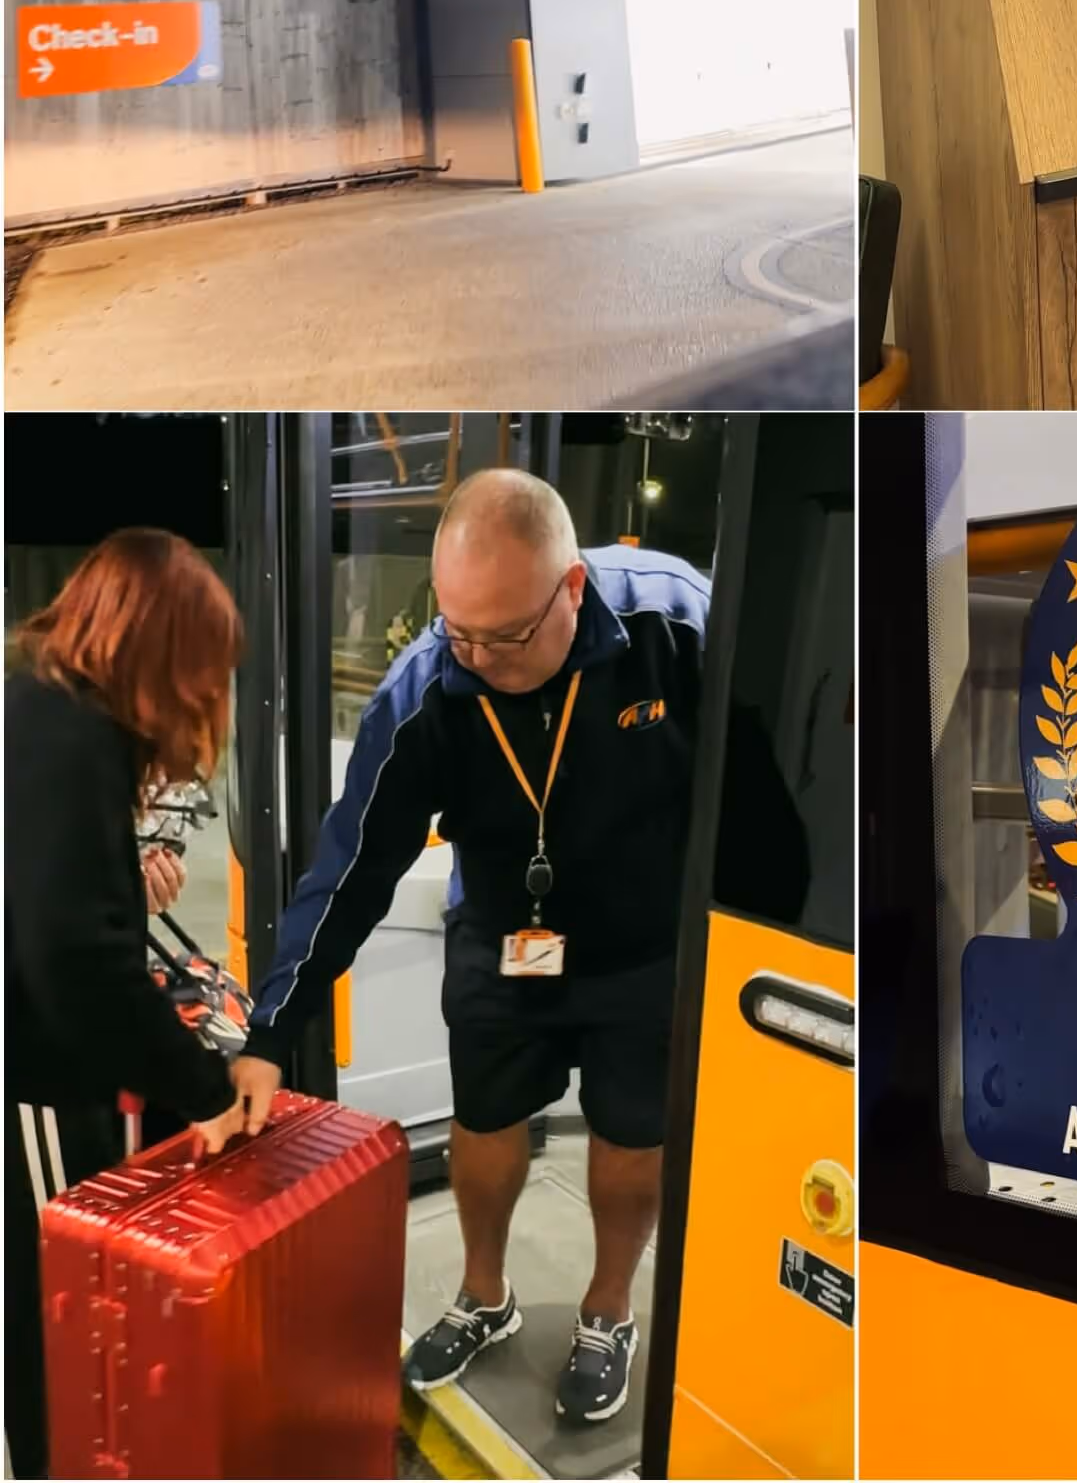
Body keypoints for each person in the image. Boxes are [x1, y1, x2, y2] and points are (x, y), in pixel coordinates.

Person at [230, 469, 709, 1428]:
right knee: (485, 1119)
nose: (479, 658)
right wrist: (270, 1031)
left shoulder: (677, 625)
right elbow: (351, 866)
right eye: (459, 631)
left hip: (644, 944)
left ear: (570, 587)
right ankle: (484, 1295)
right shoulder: (428, 691)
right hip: (503, 936)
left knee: (631, 1137)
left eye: (507, 635)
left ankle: (607, 1309)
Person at [5, 531, 249, 1481]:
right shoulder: (72, 735)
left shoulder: (41, 708)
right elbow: (76, 962)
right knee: (49, 1310)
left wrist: (115, 883)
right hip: (32, 1081)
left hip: (36, 1058)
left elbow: (46, 901)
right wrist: (203, 1087)